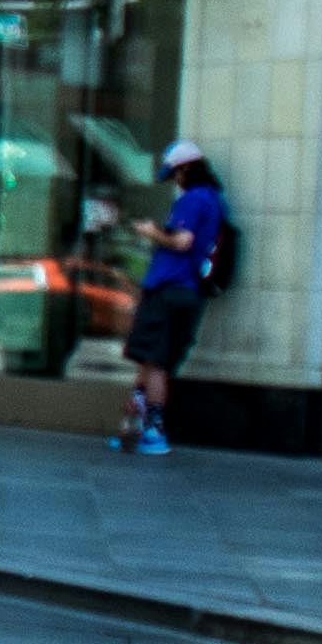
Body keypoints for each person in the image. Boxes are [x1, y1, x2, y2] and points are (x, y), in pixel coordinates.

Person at [117, 138, 231, 453]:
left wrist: (151, 232)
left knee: (154, 362)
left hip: (167, 289)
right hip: (189, 292)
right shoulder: (213, 200)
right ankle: (134, 424)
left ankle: (154, 431)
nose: (176, 183)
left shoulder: (192, 201)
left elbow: (181, 241)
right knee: (150, 359)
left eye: (176, 175)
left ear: (187, 169)